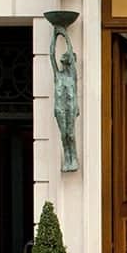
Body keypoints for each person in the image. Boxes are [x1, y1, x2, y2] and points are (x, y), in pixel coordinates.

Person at [52, 24, 79, 171]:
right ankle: (67, 160)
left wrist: (66, 35)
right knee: (63, 135)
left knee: (70, 134)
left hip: (71, 106)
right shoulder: (58, 75)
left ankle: (73, 159)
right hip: (59, 108)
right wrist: (55, 36)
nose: (62, 60)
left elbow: (70, 52)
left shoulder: (71, 76)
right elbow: (51, 55)